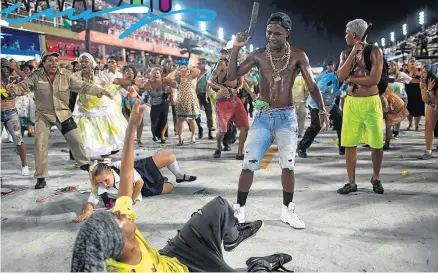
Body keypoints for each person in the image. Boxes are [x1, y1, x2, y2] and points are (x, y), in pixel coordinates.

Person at [71, 99, 293, 272]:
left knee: (219, 206)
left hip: (174, 253)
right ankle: (259, 264)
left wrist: (130, 131)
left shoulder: (120, 224)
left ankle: (232, 238)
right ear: (118, 244)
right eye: (119, 220)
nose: (120, 214)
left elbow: (127, 174)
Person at [227, 12, 329, 228]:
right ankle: (240, 210)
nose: (272, 37)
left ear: (286, 34)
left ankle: (288, 211)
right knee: (249, 164)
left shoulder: (298, 55)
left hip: (286, 118)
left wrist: (322, 110)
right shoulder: (258, 55)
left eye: (277, 33)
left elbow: (311, 85)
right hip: (263, 117)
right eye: (269, 32)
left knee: (288, 165)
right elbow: (231, 76)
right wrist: (236, 46)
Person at [5, 51, 113, 189]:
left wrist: (100, 91)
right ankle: (41, 177)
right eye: (50, 60)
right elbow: (22, 87)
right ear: (43, 62)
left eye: (56, 60)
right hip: (43, 115)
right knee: (40, 144)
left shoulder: (66, 75)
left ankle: (85, 165)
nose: (54, 63)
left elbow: (82, 86)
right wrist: (12, 88)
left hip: (63, 113)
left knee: (76, 139)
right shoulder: (36, 76)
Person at [72, 151, 197, 223]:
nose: (104, 184)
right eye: (100, 182)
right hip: (143, 189)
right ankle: (160, 179)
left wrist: (131, 200)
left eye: (106, 180)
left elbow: (139, 182)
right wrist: (87, 212)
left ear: (110, 172)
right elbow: (91, 202)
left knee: (170, 157)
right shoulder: (98, 185)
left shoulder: (120, 166)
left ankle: (179, 175)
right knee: (170, 188)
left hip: (139, 172)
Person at [336, 19, 385, 195]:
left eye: (346, 33)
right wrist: (352, 54)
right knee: (349, 143)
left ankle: (376, 178)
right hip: (351, 103)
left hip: (371, 102)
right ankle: (351, 182)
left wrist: (352, 79)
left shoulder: (374, 51)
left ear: (354, 34)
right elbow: (340, 76)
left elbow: (374, 80)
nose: (345, 36)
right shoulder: (345, 53)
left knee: (377, 144)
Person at [73, 54, 143, 158]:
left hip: (102, 110)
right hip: (84, 111)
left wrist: (133, 82)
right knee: (88, 134)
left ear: (92, 63)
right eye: (81, 61)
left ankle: (106, 154)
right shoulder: (76, 76)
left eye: (86, 61)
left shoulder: (100, 75)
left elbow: (117, 81)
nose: (83, 63)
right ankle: (88, 154)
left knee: (104, 133)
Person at [209, 58, 253, 160]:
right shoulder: (220, 67)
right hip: (222, 103)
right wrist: (221, 87)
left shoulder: (238, 70)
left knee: (245, 126)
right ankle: (218, 147)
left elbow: (242, 83)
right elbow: (210, 81)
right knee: (223, 131)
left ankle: (240, 153)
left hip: (235, 101)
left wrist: (242, 90)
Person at [297, 60, 344, 157]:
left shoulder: (346, 81)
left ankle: (343, 148)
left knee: (340, 120)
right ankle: (301, 147)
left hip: (330, 103)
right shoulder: (328, 78)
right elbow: (317, 92)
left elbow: (341, 93)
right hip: (316, 103)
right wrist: (323, 111)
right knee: (317, 125)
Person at [1, 59, 30, 176]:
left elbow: (27, 79)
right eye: (3, 67)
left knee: (18, 139)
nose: (6, 70)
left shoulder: (13, 80)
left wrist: (15, 67)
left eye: (8, 68)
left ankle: (24, 165)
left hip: (10, 113)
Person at [142, 67, 176, 143]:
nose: (156, 74)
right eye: (154, 73)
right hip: (153, 104)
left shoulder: (164, 81)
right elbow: (141, 90)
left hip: (164, 101)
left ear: (160, 75)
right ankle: (155, 134)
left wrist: (172, 98)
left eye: (157, 73)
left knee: (164, 119)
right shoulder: (147, 83)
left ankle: (162, 134)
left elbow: (172, 88)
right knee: (154, 120)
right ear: (150, 74)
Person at [173, 59, 201, 146]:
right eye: (181, 67)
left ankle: (193, 136)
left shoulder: (191, 76)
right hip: (181, 100)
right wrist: (176, 70)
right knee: (180, 120)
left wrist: (188, 67)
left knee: (191, 119)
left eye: (184, 67)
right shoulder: (177, 78)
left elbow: (198, 71)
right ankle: (180, 139)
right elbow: (169, 77)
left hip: (191, 99)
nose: (183, 69)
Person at [419, 64, 438, 160]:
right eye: (422, 72)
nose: (422, 74)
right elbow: (425, 99)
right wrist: (427, 88)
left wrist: (430, 90)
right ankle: (428, 150)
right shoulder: (422, 82)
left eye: (424, 72)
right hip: (433, 103)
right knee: (428, 125)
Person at [195, 58, 214, 140]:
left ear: (204, 64)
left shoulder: (208, 72)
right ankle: (199, 128)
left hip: (207, 95)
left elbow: (209, 84)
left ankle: (210, 132)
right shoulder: (196, 73)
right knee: (196, 113)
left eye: (199, 64)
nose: (198, 65)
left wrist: (207, 94)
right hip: (198, 95)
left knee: (209, 114)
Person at [405, 58, 424, 131]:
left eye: (414, 61)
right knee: (409, 109)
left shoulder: (420, 70)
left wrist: (413, 79)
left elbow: (422, 80)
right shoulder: (405, 71)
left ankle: (416, 126)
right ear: (408, 63)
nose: (412, 62)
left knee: (418, 109)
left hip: (418, 92)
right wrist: (411, 75)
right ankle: (410, 124)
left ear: (416, 63)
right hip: (408, 92)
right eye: (411, 61)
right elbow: (406, 81)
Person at [291, 72, 309, 138]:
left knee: (301, 117)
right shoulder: (289, 77)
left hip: (300, 102)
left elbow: (306, 90)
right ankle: (295, 132)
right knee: (293, 118)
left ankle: (300, 133)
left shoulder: (302, 78)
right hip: (291, 103)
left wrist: (305, 100)